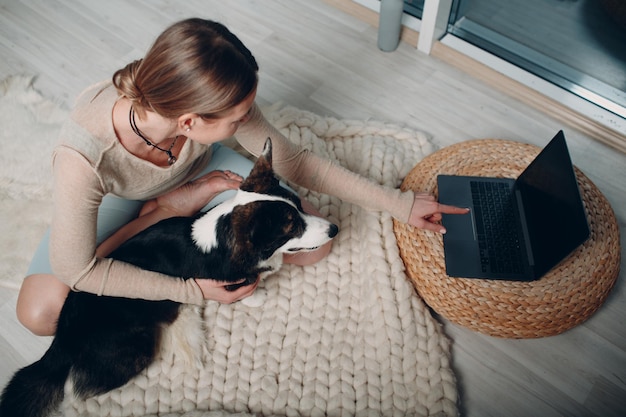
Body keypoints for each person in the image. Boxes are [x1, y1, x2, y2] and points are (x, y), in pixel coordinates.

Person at [16, 18, 469, 337]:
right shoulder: (82, 158)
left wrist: (400, 204)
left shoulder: (197, 92)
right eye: (238, 119)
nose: (248, 121)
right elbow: (78, 270)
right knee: (42, 313)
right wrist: (189, 288)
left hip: (200, 174)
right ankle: (163, 215)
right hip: (122, 193)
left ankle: (171, 212)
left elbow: (298, 162)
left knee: (316, 246)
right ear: (190, 122)